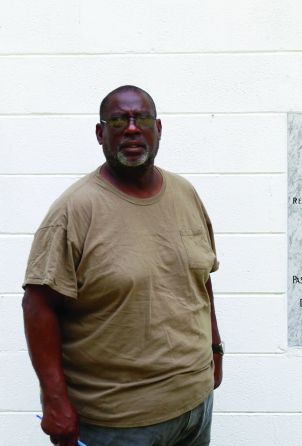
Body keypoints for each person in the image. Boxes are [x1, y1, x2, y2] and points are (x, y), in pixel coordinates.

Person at [22, 85, 223, 446]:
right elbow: (38, 306)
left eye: (141, 119)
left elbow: (200, 279)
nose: (132, 128)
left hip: (195, 407)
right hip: (118, 422)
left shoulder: (185, 193)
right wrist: (55, 401)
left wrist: (215, 350)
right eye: (118, 120)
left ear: (158, 129)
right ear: (101, 133)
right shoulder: (75, 210)